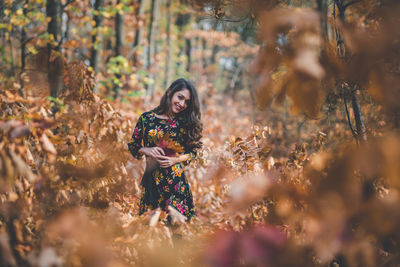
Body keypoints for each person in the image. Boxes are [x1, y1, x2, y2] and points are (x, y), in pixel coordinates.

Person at [128, 78, 203, 222]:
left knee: (176, 232)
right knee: (149, 231)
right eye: (180, 97)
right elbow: (134, 146)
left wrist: (175, 159)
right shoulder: (146, 119)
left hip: (175, 184)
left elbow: (193, 153)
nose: (182, 104)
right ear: (170, 93)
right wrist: (147, 150)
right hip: (151, 183)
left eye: (187, 102)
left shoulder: (184, 123)